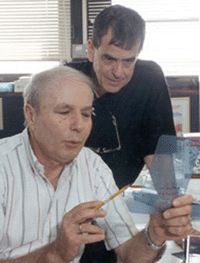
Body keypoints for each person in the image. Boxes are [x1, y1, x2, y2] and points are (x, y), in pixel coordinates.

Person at [0, 66, 194, 263]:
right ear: (31, 115)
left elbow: (129, 253)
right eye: (64, 112)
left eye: (86, 114)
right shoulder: (4, 165)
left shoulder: (92, 166)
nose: (79, 125)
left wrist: (153, 237)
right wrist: (55, 254)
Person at [67, 4, 176, 189]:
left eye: (128, 61)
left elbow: (161, 152)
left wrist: (167, 203)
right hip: (69, 194)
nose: (118, 72)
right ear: (91, 50)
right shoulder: (66, 81)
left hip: (119, 195)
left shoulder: (149, 78)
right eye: (109, 59)